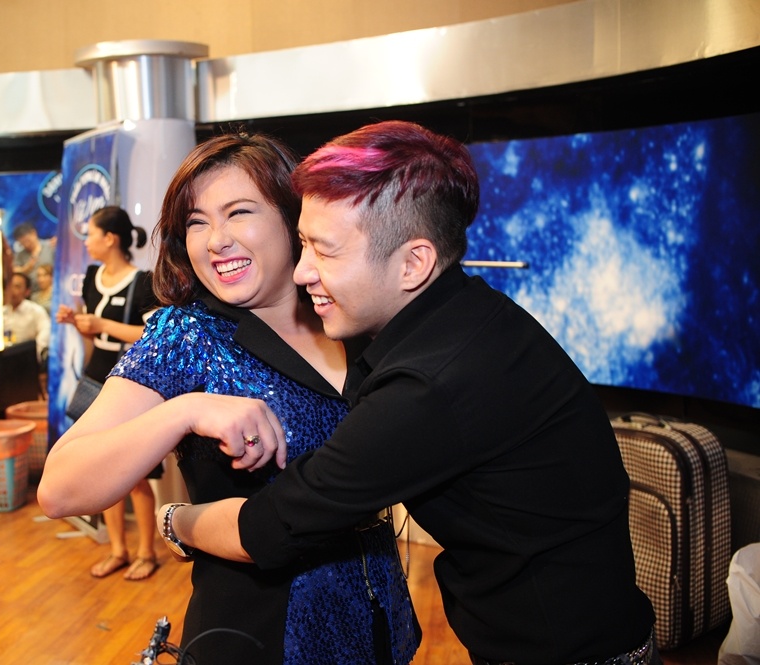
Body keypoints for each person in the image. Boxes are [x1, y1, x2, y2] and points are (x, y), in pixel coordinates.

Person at [160, 121, 661, 665]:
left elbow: (271, 527)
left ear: (413, 263)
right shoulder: (468, 313)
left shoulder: (431, 383)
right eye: (303, 245)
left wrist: (175, 519)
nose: (302, 273)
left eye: (325, 252)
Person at [38, 134, 420, 665]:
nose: (215, 241)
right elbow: (59, 489)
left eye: (238, 212)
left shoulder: (349, 316)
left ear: (293, 218)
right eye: (197, 222)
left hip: (375, 622)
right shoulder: (188, 335)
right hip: (255, 635)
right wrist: (185, 411)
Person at [52, 206, 162, 582]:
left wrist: (102, 323)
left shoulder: (143, 282)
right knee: (103, 469)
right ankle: (118, 550)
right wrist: (78, 323)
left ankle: (146, 552)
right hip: (97, 375)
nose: (86, 242)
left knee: (137, 474)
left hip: (132, 382)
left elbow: (151, 336)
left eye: (91, 234)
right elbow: (93, 334)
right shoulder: (92, 277)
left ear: (110, 238)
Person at [3, 272, 50, 365]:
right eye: (10, 286)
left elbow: (44, 337)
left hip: (27, 361)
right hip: (4, 358)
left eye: (17, 287)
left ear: (27, 291)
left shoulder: (36, 311)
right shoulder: (1, 312)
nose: (12, 291)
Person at [12, 222, 56, 287]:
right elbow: (14, 271)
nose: (26, 245)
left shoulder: (50, 247)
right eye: (22, 243)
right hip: (31, 291)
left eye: (27, 241)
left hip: (51, 289)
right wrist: (26, 268)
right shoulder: (20, 256)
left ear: (33, 233)